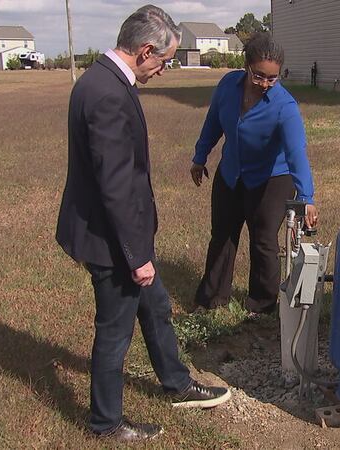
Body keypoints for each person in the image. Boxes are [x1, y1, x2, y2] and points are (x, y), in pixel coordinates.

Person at [55, 5, 230, 442]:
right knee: (115, 332)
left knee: (156, 308)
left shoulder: (99, 78)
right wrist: (137, 257)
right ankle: (105, 423)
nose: (164, 70)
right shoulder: (108, 94)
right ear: (145, 50)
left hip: (122, 234)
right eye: (165, 60)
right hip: (111, 241)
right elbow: (116, 187)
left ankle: (177, 383)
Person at [190, 32, 319, 314]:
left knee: (263, 240)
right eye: (259, 76)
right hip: (232, 172)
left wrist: (307, 197)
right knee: (222, 235)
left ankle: (261, 305)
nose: (265, 84)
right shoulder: (228, 85)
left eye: (272, 78)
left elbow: (296, 152)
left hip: (272, 178)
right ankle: (212, 298)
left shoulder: (284, 106)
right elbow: (213, 123)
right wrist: (200, 157)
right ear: (247, 66)